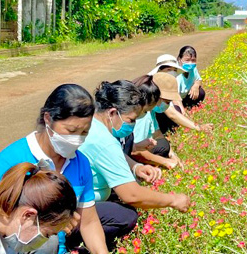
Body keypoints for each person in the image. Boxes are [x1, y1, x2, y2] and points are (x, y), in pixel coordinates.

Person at [0, 83, 124, 254]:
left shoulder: (80, 164)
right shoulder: (10, 160)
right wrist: (45, 225)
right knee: (47, 241)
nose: (78, 139)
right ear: (48, 119)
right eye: (71, 131)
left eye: (84, 133)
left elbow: (88, 221)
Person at [81, 79, 192, 218]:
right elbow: (131, 195)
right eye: (131, 120)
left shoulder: (92, 123)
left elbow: (115, 155)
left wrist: (136, 167)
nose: (133, 125)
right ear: (112, 113)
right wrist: (174, 200)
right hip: (80, 208)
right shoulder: (104, 141)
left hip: (78, 198)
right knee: (126, 216)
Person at [150, 54, 214, 136]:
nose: (172, 73)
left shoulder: (166, 83)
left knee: (177, 109)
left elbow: (174, 105)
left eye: (174, 70)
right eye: (168, 69)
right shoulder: (154, 86)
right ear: (159, 70)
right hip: (143, 126)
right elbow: (171, 114)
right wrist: (198, 127)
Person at [130, 74, 179, 169]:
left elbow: (157, 134)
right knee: (163, 146)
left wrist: (172, 155)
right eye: (167, 101)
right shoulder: (141, 115)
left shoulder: (149, 110)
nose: (166, 105)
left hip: (139, 149)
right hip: (133, 154)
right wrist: (166, 162)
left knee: (164, 144)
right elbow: (134, 151)